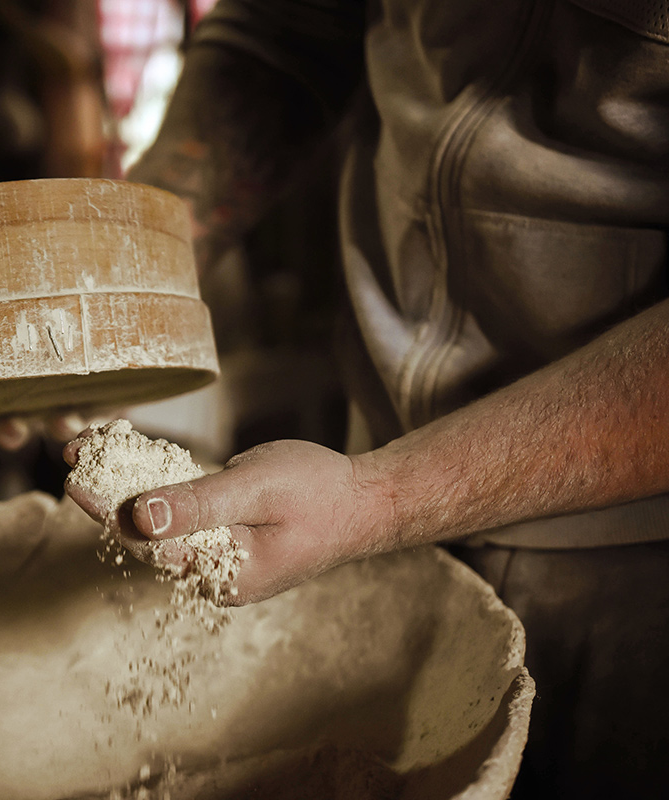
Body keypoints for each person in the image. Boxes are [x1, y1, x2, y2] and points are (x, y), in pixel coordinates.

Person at [61, 1, 669, 797]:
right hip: (369, 463)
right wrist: (126, 286)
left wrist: (377, 498)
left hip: (626, 563)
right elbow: (292, 30)